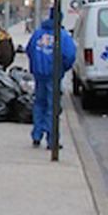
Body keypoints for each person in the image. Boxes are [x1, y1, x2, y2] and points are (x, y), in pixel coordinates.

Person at [25, 9, 77, 149]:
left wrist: (36, 65)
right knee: (52, 106)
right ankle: (51, 138)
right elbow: (70, 55)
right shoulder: (62, 36)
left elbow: (29, 50)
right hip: (53, 75)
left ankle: (37, 134)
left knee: (39, 104)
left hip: (39, 74)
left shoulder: (37, 34)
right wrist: (62, 68)